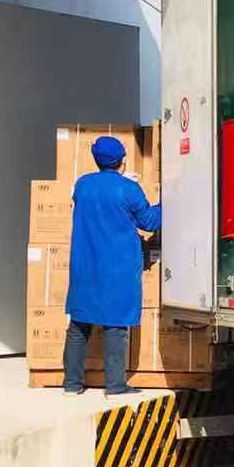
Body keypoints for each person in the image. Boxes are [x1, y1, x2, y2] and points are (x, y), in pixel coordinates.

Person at [63, 135, 161, 396]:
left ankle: (71, 385)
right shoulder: (128, 189)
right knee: (116, 326)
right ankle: (116, 386)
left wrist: (120, 180)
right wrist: (168, 204)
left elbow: (99, 196)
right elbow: (149, 221)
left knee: (78, 326)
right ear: (122, 161)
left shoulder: (83, 185)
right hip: (117, 269)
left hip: (85, 267)